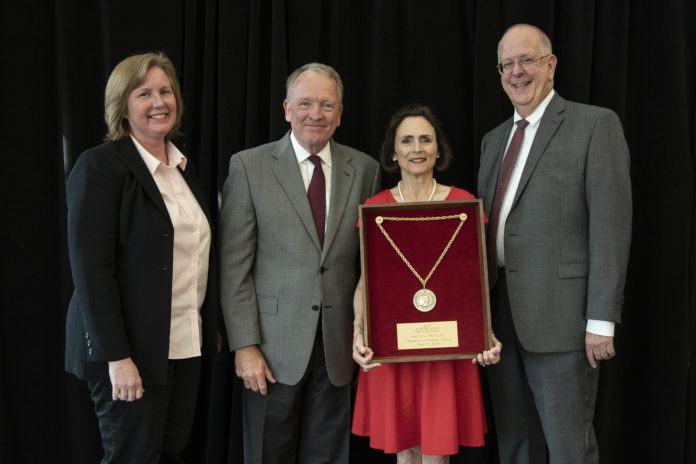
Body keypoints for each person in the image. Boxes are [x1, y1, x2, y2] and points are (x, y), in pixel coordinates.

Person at [477, 24, 632, 463]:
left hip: (563, 322)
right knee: (516, 446)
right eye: (507, 64)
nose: (517, 71)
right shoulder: (493, 141)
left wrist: (601, 318)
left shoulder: (594, 125)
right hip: (498, 321)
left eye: (527, 60)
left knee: (569, 448)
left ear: (551, 65)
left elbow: (611, 226)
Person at [219, 62, 381, 464]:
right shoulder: (249, 166)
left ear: (340, 114)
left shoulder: (364, 170)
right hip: (271, 350)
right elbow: (234, 268)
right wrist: (245, 346)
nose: (316, 114)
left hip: (339, 347)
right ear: (287, 108)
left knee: (329, 456)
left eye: (327, 105)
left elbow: (371, 267)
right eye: (306, 103)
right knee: (267, 454)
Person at [65, 52, 219, 463]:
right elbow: (91, 272)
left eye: (166, 91)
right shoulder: (99, 167)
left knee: (169, 453)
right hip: (129, 353)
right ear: (123, 106)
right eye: (144, 93)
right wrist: (118, 357)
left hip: (183, 347)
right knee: (132, 457)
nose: (159, 102)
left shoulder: (184, 171)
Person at [352, 104, 502, 464]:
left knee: (437, 452)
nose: (416, 147)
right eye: (406, 140)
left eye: (425, 139)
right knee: (404, 452)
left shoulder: (463, 204)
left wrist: (486, 335)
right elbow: (365, 283)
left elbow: (474, 283)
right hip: (392, 347)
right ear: (393, 152)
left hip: (445, 348)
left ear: (438, 149)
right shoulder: (376, 208)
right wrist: (359, 332)